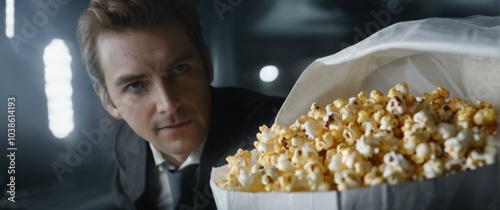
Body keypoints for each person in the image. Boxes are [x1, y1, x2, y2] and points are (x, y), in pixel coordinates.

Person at [77, 0, 284, 209]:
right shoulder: (127, 143)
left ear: (207, 65)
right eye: (136, 85)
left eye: (179, 69)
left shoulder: (278, 130)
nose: (168, 104)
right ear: (108, 101)